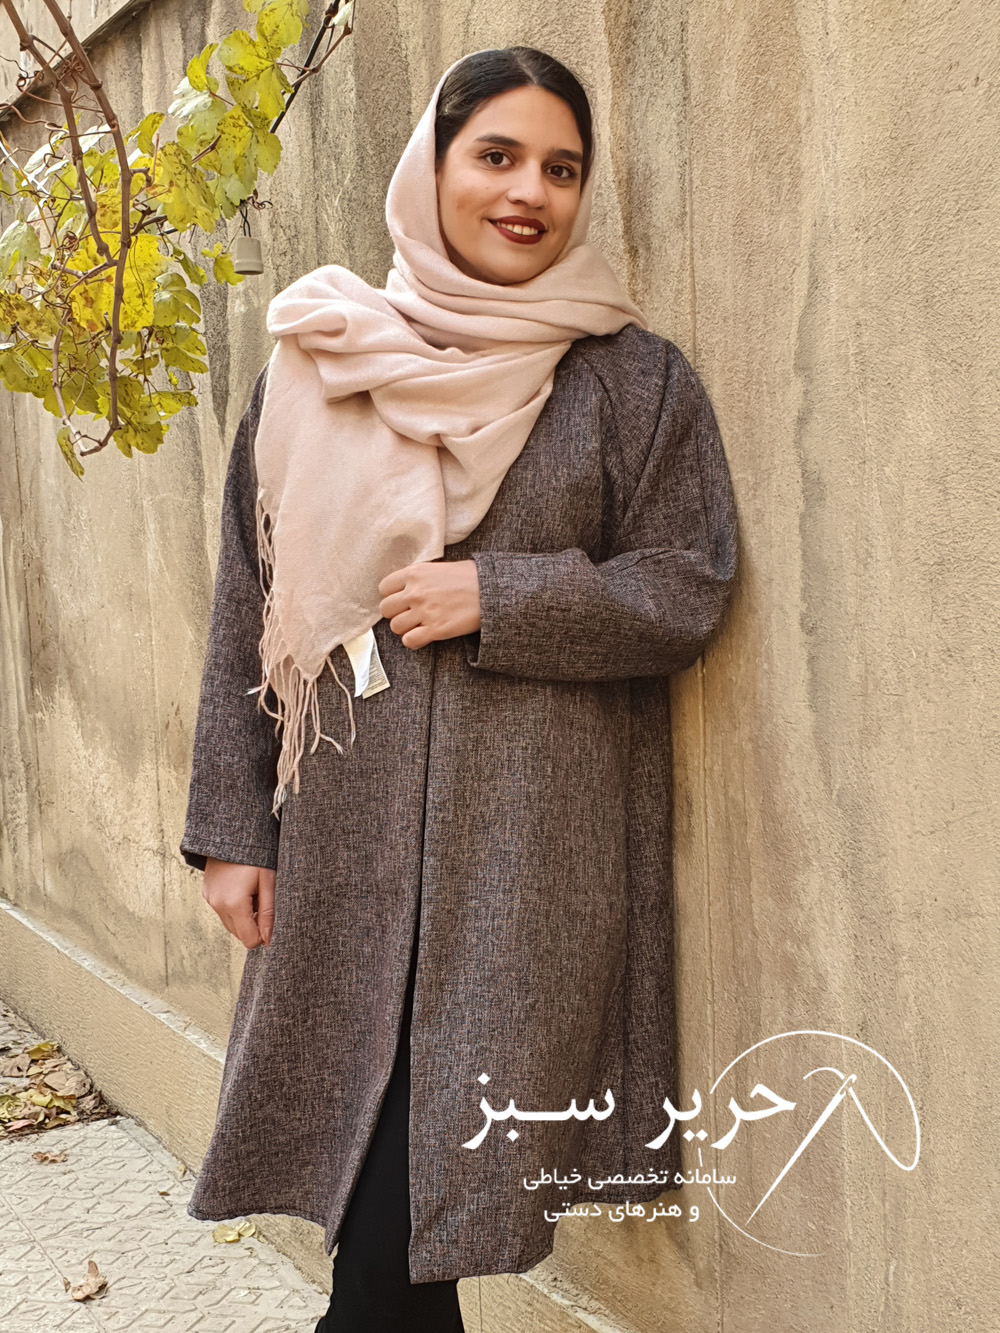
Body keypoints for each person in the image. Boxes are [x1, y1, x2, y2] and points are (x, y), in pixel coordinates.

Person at [180, 46, 738, 1332]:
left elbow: (688, 583)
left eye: (562, 168)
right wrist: (230, 828)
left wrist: (505, 596)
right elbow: (248, 606)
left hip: (529, 864)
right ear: (429, 171)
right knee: (390, 1230)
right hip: (340, 851)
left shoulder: (630, 382)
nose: (529, 191)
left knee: (403, 1236)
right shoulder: (320, 361)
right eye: (496, 155)